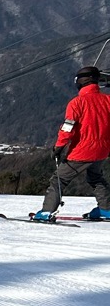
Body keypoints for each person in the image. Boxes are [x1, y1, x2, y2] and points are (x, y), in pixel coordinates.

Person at [32, 65, 110, 221]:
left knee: (59, 180)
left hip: (82, 151)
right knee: (95, 178)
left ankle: (47, 212)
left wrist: (59, 146)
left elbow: (68, 128)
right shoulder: (107, 100)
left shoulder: (77, 103)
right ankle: (106, 209)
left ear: (80, 81)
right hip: (102, 150)